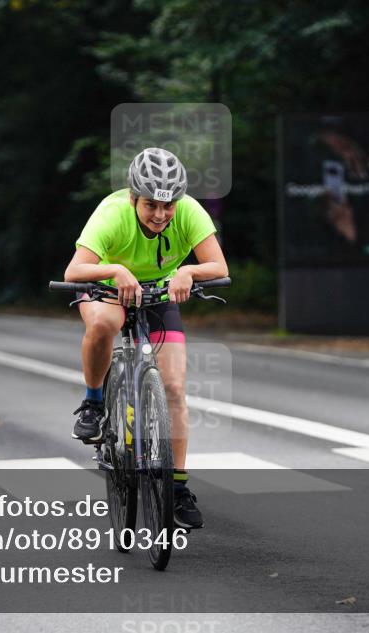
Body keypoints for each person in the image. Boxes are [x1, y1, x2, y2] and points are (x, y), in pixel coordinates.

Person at [62, 147, 229, 530]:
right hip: (105, 287)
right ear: (133, 197)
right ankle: (93, 403)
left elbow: (217, 265)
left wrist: (189, 272)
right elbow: (75, 270)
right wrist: (115, 269)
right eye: (151, 204)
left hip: (157, 293)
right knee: (104, 323)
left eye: (168, 206)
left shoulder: (188, 211)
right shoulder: (112, 214)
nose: (160, 214)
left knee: (172, 387)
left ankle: (179, 488)